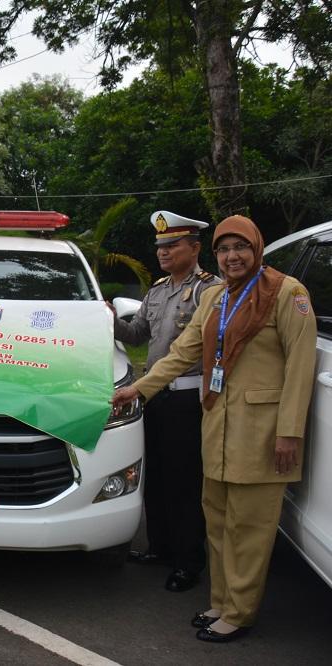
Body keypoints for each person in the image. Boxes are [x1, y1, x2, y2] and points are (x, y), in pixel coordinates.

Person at [111, 214, 317, 643]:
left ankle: (240, 612)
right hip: (218, 424)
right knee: (219, 522)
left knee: (250, 527)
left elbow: (301, 367)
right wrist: (139, 390)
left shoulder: (286, 293)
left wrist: (289, 432)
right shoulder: (217, 298)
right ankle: (222, 601)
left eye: (239, 247)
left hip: (263, 432)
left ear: (256, 249)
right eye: (225, 249)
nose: (232, 256)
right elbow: (180, 353)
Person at [113, 211, 221, 592]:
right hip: (153, 396)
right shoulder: (157, 290)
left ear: (194, 248)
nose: (164, 252)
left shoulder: (211, 290)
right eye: (160, 246)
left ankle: (188, 561)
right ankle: (160, 547)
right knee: (156, 477)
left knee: (184, 482)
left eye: (172, 245)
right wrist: (108, 319)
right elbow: (137, 334)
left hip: (188, 398)